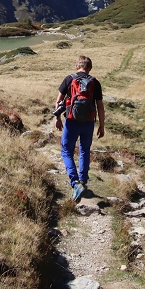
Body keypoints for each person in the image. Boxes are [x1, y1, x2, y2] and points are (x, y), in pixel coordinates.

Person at [54, 55, 104, 203]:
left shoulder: (69, 79)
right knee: (84, 150)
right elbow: (100, 107)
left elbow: (58, 102)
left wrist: (57, 119)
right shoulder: (95, 82)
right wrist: (101, 125)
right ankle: (83, 181)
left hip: (71, 121)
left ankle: (75, 183)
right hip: (88, 122)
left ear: (77, 66)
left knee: (66, 151)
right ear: (90, 68)